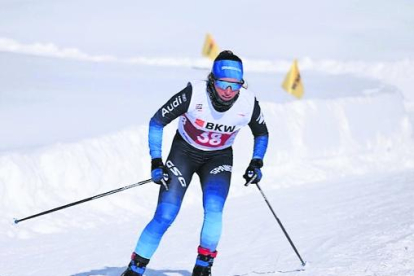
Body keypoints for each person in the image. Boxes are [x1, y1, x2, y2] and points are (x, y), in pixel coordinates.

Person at [121, 50, 269, 276]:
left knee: (214, 210)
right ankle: (135, 269)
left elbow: (262, 133)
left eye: (235, 85)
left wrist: (256, 162)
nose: (229, 91)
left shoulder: (248, 103)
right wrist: (156, 161)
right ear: (212, 80)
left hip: (218, 158)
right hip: (184, 154)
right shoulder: (194, 94)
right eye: (222, 84)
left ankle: (203, 266)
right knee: (166, 215)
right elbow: (156, 122)